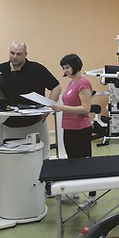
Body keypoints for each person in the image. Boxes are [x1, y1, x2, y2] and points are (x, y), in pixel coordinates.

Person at [50, 53, 95, 205]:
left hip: (81, 129)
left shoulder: (83, 83)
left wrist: (61, 107)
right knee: (72, 162)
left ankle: (92, 196)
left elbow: (85, 108)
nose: (66, 70)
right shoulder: (70, 84)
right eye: (64, 68)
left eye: (68, 67)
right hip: (68, 127)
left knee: (85, 164)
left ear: (75, 66)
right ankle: (75, 191)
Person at [0, 41, 61, 109]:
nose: (15, 56)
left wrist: (48, 109)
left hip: (35, 119)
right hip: (5, 118)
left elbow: (56, 87)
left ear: (25, 54)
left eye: (19, 54)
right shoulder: (0, 69)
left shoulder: (37, 69)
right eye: (12, 53)